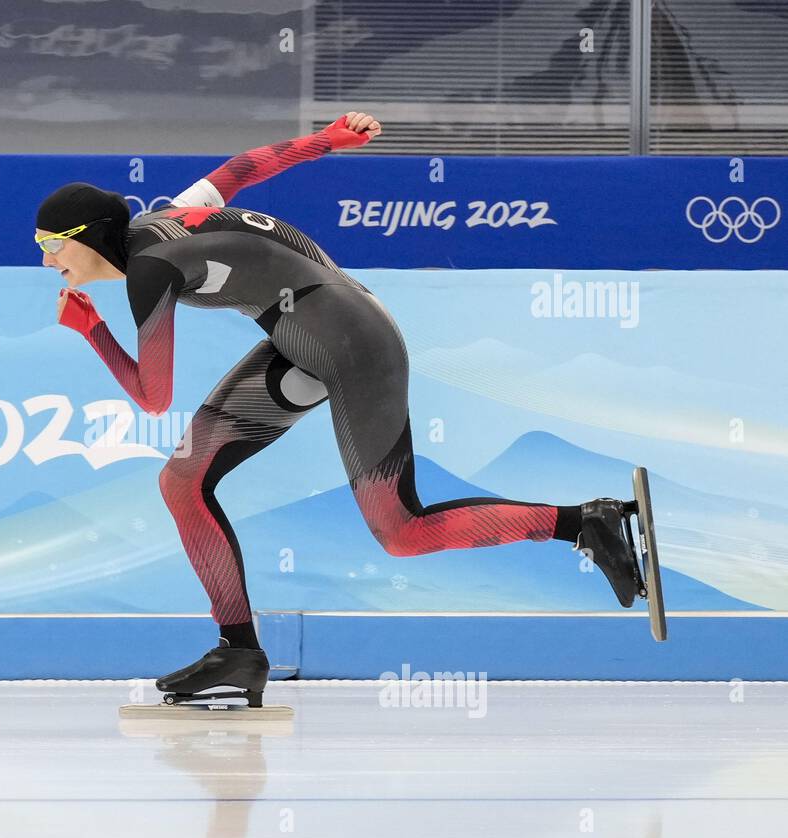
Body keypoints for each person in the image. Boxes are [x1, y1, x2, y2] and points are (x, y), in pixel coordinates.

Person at [34, 112, 645, 709]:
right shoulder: (161, 221)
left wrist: (92, 331)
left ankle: (585, 521)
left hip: (354, 346)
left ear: (85, 236)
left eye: (49, 246)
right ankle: (238, 651)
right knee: (183, 482)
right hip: (305, 335)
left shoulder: (149, 269)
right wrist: (326, 139)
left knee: (402, 532)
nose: (46, 262)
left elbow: (152, 396)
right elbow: (242, 168)